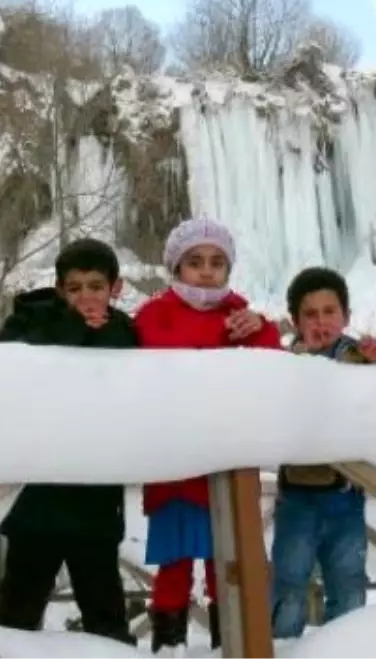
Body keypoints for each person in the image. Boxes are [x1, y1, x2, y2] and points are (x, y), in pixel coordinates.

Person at [134, 217, 282, 652]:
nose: (206, 270)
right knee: (174, 564)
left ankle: (228, 643)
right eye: (195, 261)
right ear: (176, 267)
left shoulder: (241, 314)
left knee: (228, 564)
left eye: (217, 262)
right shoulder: (153, 314)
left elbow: (271, 368)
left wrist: (262, 330)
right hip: (175, 466)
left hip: (229, 463)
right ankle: (168, 646)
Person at [0, 238, 136, 644]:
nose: (86, 296)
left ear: (115, 288)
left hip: (96, 496)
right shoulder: (27, 321)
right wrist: (74, 328)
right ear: (60, 290)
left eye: (96, 286)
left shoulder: (123, 330)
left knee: (105, 612)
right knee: (17, 614)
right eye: (75, 288)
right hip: (37, 493)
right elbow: (7, 367)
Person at [269, 267, 376, 638]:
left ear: (346, 317)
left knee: (349, 582)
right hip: (297, 497)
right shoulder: (283, 361)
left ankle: (346, 648)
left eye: (329, 311)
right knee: (288, 583)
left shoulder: (359, 356)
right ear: (296, 321)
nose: (321, 322)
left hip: (347, 496)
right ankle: (283, 648)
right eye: (310, 314)